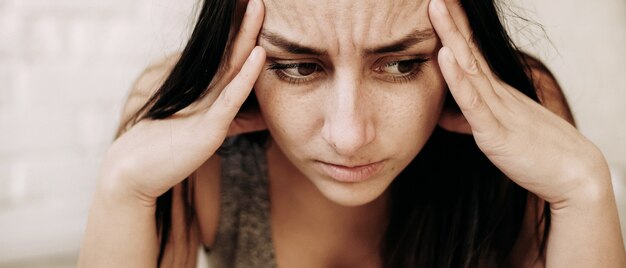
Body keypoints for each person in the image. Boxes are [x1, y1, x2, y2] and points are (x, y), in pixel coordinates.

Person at [77, 0, 626, 267]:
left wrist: (584, 190)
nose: (348, 134)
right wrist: (122, 190)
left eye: (402, 64)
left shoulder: (522, 114)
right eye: (296, 67)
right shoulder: (189, 136)